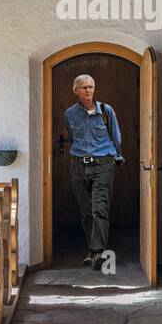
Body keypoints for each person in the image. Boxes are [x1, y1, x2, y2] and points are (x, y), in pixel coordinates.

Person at [64, 74, 123, 266]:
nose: (88, 90)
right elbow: (72, 136)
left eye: (91, 87)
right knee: (86, 211)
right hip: (79, 165)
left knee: (100, 208)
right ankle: (92, 250)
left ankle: (98, 252)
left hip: (102, 164)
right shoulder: (70, 114)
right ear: (76, 91)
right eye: (84, 87)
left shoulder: (106, 111)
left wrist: (115, 157)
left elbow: (116, 136)